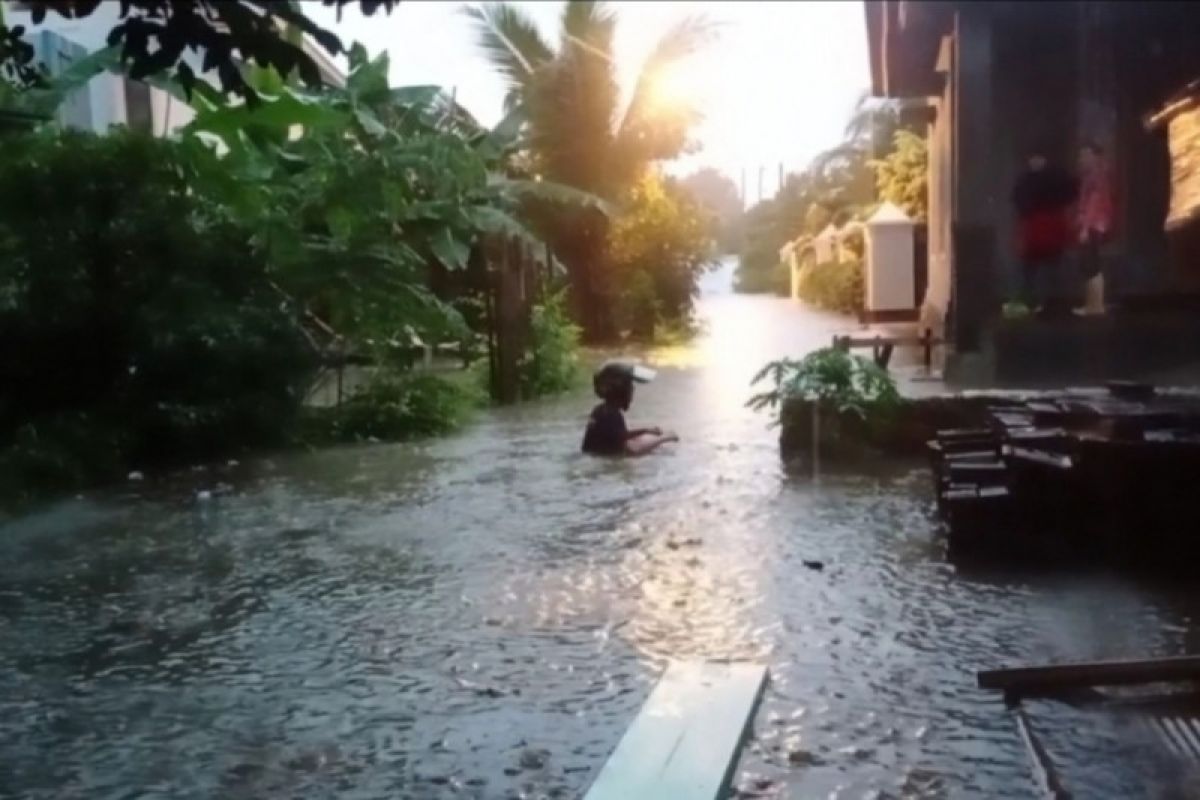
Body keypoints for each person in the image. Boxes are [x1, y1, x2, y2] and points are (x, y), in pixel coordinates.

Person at [1011, 147, 1078, 317]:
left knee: (1050, 268)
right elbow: (1018, 200)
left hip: (1049, 226)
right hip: (1037, 227)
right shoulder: (1027, 179)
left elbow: (1069, 193)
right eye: (1033, 159)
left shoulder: (1055, 176)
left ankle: (1051, 303)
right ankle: (1031, 301)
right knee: (1031, 267)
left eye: (1038, 158)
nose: (1035, 162)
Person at [581, 360, 678, 456]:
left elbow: (620, 434)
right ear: (620, 391)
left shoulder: (599, 410)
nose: (633, 391)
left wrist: (647, 430)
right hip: (607, 456)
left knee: (642, 438)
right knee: (640, 446)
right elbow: (632, 449)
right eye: (630, 387)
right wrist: (664, 438)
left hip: (595, 453)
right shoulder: (612, 414)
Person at [1075, 141, 1116, 316]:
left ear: (1095, 156)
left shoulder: (1096, 175)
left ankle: (1095, 305)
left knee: (1091, 264)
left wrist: (1085, 227)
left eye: (1086, 154)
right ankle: (1093, 304)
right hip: (1096, 223)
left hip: (1094, 224)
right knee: (1091, 263)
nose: (1083, 159)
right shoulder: (1096, 174)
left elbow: (1094, 202)